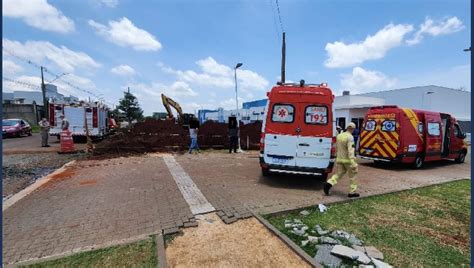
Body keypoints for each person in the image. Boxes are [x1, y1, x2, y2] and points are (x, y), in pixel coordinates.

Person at [324, 122, 360, 198]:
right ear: (353, 129)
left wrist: (336, 157)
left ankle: (329, 183)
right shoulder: (350, 137)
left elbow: (337, 147)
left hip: (339, 159)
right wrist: (353, 162)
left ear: (346, 127)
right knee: (353, 176)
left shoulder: (339, 136)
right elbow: (351, 150)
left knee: (339, 173)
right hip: (348, 161)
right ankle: (352, 192)